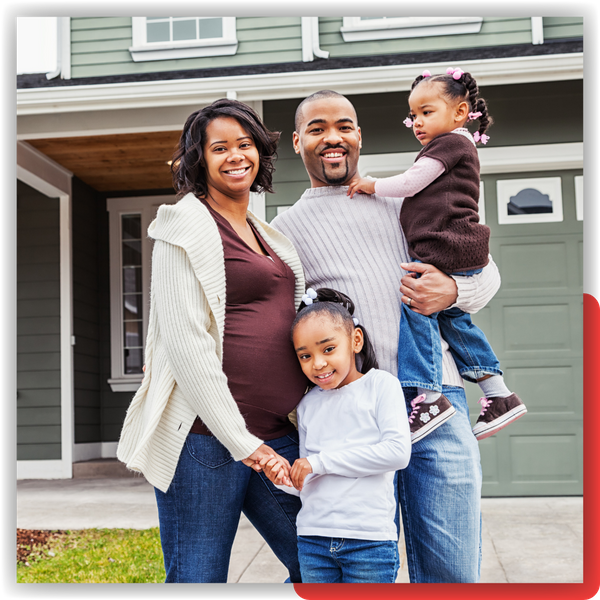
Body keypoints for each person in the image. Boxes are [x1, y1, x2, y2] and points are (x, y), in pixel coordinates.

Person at [270, 89, 502, 583]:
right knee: (362, 570)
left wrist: (453, 289)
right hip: (352, 415)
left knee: (452, 572)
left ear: (359, 135)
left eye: (344, 126)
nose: (332, 138)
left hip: (435, 400)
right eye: (317, 128)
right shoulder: (284, 230)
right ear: (296, 141)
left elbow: (486, 278)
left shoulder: (403, 196)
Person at [116, 99, 308, 584]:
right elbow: (188, 347)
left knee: (325, 566)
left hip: (276, 436)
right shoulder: (184, 225)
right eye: (219, 147)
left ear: (261, 153)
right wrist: (244, 443)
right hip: (205, 441)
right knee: (198, 579)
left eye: (245, 144)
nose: (235, 156)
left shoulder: (265, 233)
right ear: (199, 160)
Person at [347, 68, 527, 441]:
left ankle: (429, 397)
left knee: (417, 309)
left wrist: (371, 185)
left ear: (460, 112)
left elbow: (412, 182)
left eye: (427, 112)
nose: (417, 122)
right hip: (457, 247)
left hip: (447, 246)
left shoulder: (450, 144)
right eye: (413, 115)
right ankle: (499, 394)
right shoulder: (455, 145)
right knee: (454, 321)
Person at [260, 288, 411, 583]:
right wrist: (285, 479)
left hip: (368, 541)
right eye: (305, 355)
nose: (317, 364)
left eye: (328, 349)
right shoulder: (306, 405)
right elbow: (309, 479)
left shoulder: (382, 386)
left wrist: (319, 463)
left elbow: (397, 452)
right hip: (313, 539)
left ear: (355, 341)